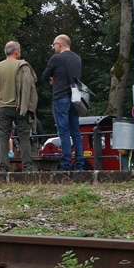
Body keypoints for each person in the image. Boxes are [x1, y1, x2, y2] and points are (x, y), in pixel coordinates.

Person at [0, 40, 38, 172]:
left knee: (3, 138)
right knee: (24, 137)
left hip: (4, 107)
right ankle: (27, 167)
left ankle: (4, 167)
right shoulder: (23, 66)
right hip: (21, 107)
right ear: (16, 52)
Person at [41, 34, 84, 171]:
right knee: (75, 132)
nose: (54, 47)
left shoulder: (56, 58)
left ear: (59, 44)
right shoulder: (77, 58)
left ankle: (65, 164)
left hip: (61, 97)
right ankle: (79, 164)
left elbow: (44, 76)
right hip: (75, 98)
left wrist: (52, 80)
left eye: (54, 44)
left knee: (63, 132)